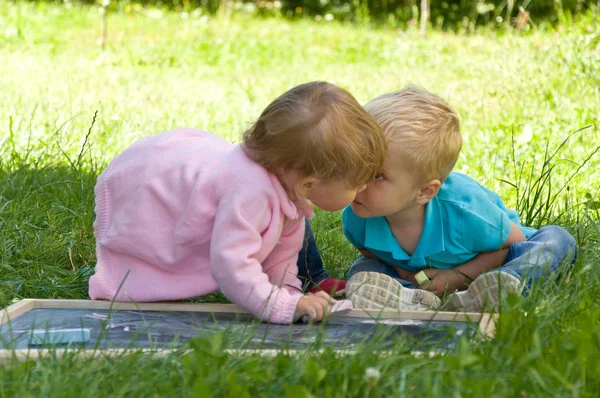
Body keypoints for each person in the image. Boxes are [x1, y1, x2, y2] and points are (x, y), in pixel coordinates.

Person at [88, 81, 386, 324]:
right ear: (309, 184)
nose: (363, 188)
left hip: (186, 165)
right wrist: (278, 306)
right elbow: (231, 266)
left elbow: (281, 258)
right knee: (153, 251)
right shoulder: (251, 193)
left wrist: (292, 300)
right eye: (356, 184)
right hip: (148, 183)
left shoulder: (287, 187)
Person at [341, 86, 577, 312]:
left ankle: (503, 287)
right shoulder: (359, 213)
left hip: (494, 262)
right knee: (363, 269)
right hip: (423, 279)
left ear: (424, 191)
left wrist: (457, 277)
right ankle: (408, 296)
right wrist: (403, 274)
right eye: (355, 163)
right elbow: (369, 252)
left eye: (377, 175)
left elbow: (510, 245)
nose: (357, 180)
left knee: (557, 240)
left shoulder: (464, 210)